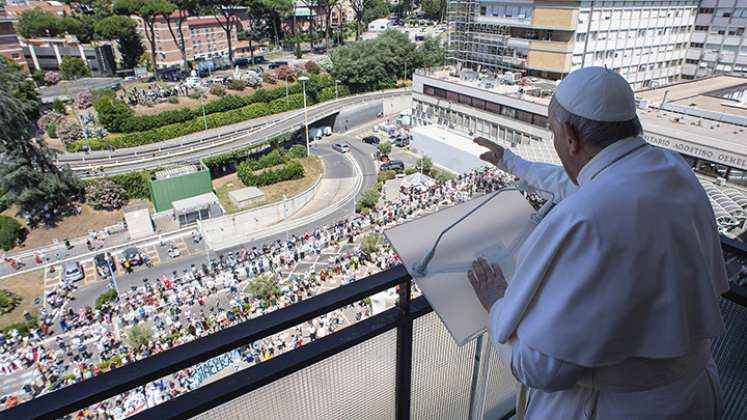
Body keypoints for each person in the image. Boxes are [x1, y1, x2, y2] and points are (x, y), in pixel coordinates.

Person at [468, 67, 728, 420]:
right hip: (692, 396)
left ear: (571, 137)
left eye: (554, 132)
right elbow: (587, 182)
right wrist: (511, 161)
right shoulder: (670, 169)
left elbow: (540, 368)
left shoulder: (585, 222)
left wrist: (497, 303)